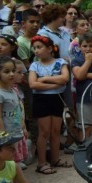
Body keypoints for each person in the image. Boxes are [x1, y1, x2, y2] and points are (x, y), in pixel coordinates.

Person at [28, 36, 70, 174]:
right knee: (44, 132)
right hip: (41, 100)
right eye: (34, 48)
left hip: (57, 99)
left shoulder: (60, 62)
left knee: (55, 131)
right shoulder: (35, 65)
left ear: (50, 49)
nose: (36, 51)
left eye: (39, 47)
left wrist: (45, 79)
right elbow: (33, 84)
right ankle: (41, 163)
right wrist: (55, 84)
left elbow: (65, 78)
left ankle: (55, 159)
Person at [0, 56, 28, 171]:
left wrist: (23, 127)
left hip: (15, 132)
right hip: (5, 136)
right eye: (6, 71)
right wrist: (3, 138)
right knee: (7, 163)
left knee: (14, 162)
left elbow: (18, 110)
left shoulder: (12, 90)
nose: (11, 74)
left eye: (13, 71)